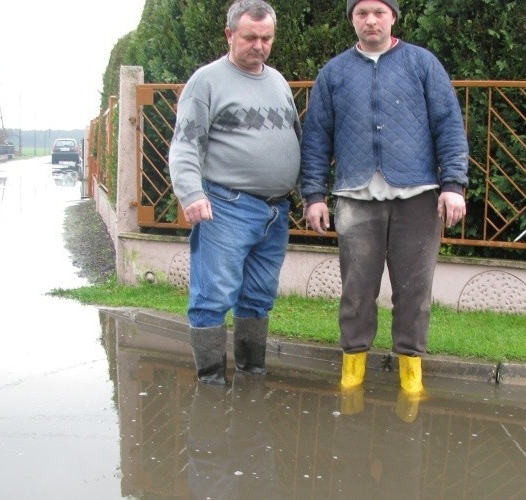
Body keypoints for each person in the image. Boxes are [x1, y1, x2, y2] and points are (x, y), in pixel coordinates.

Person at [300, 0, 468, 396]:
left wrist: (453, 185)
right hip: (356, 200)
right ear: (352, 20)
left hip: (418, 199)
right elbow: (316, 138)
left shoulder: (422, 64)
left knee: (415, 291)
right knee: (356, 291)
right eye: (361, 13)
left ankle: (412, 373)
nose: (370, 20)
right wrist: (313, 195)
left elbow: (449, 125)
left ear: (393, 16)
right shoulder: (334, 74)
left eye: (379, 11)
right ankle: (352, 369)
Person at [168, 0, 302, 385]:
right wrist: (191, 193)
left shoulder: (277, 81)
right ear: (229, 35)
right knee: (213, 297)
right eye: (249, 37)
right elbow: (185, 144)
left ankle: (251, 373)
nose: (258, 45)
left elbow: (292, 137)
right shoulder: (206, 81)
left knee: (259, 297)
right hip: (226, 206)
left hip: (275, 212)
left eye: (266, 37)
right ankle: (210, 383)